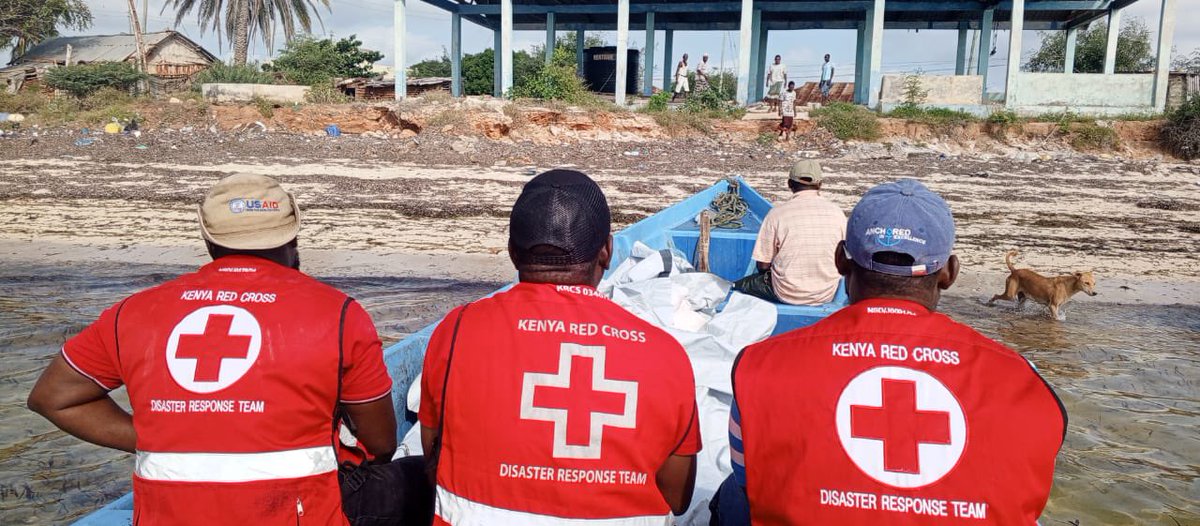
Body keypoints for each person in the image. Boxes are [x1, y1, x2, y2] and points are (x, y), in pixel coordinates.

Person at [26, 174, 414, 525]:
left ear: (207, 238)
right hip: (301, 513)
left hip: (166, 516)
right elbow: (380, 444)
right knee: (416, 476)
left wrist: (161, 438)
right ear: (293, 235)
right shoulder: (337, 312)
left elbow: (53, 399)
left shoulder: (134, 311)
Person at [713, 179, 1068, 525]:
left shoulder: (759, 366)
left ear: (840, 260)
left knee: (733, 493)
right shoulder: (1024, 382)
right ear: (949, 273)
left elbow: (749, 482)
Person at [420, 169, 701, 524]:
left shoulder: (456, 330)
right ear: (607, 251)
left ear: (512, 252)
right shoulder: (666, 354)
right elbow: (677, 497)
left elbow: (433, 457)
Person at [733, 160, 845, 305]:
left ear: (790, 184)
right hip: (826, 294)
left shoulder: (777, 214)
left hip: (785, 293)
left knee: (739, 285)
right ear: (820, 184)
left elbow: (763, 266)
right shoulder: (837, 213)